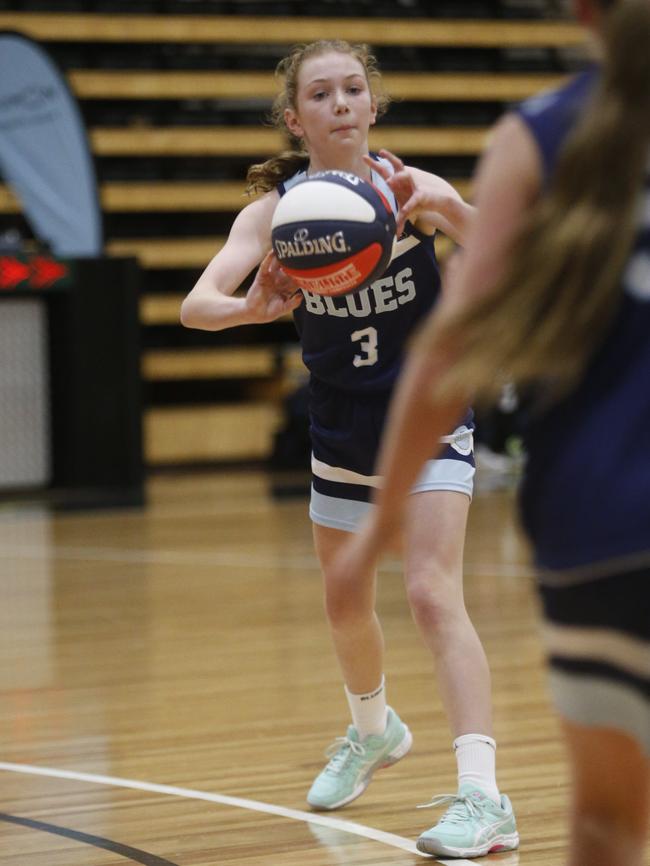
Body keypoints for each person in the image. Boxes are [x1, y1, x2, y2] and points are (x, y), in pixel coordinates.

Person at [180, 39, 518, 858]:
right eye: (321, 94)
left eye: (353, 89)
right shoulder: (274, 215)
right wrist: (253, 309)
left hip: (427, 410)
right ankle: (374, 730)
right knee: (343, 601)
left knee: (434, 595)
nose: (339, 103)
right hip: (340, 421)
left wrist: (455, 210)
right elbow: (197, 306)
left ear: (374, 107)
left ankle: (485, 799)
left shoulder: (413, 191)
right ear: (295, 120)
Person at [331, 1, 650, 863]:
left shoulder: (542, 136)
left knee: (612, 820)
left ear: (580, 12)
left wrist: (376, 530)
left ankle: (480, 793)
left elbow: (449, 352)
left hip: (603, 511)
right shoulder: (296, 208)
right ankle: (471, 791)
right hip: (592, 506)